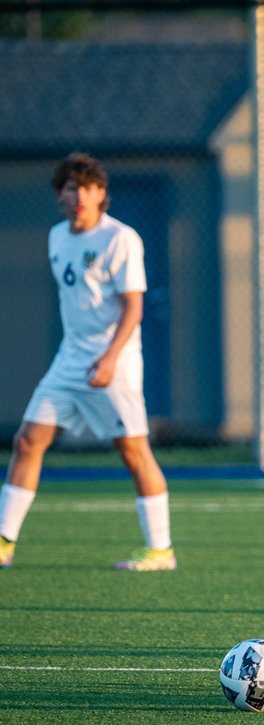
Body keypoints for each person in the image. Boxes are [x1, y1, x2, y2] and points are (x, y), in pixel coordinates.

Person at [0, 153, 173, 572]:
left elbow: (133, 307)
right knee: (27, 441)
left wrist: (111, 359)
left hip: (113, 361)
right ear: (59, 195)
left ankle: (161, 550)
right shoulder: (57, 236)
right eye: (70, 188)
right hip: (68, 362)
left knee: (132, 450)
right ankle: (4, 542)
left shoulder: (121, 239)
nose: (79, 195)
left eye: (88, 187)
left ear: (101, 194)